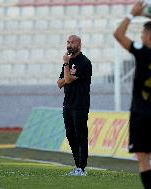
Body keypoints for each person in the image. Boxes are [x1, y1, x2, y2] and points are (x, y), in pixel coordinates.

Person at [114, 2, 151, 189]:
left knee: (143, 160)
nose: (141, 36)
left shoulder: (142, 53)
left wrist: (132, 14)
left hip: (141, 113)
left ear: (148, 36)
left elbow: (118, 35)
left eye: (142, 34)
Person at [57, 35, 92, 176]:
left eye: (72, 42)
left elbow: (67, 79)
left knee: (81, 135)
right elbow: (60, 83)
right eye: (68, 42)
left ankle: (82, 168)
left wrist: (66, 66)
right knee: (70, 135)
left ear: (79, 45)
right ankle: (77, 166)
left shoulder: (84, 62)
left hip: (80, 104)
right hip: (68, 104)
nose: (69, 45)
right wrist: (67, 75)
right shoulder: (69, 61)